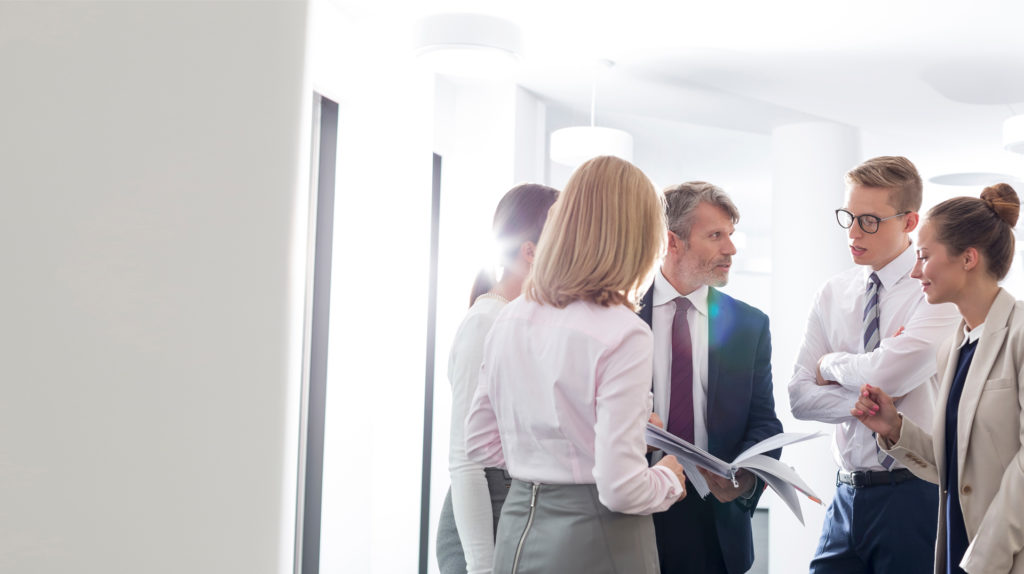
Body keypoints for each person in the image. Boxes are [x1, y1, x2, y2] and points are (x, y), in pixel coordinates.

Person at [465, 156, 686, 574]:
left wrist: (549, 455)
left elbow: (480, 442)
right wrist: (670, 478)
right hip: (596, 541)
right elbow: (621, 489)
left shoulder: (509, 316)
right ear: (638, 240)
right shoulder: (624, 332)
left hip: (515, 534)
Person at [788, 156, 960, 573]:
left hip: (914, 494)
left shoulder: (934, 291)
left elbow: (887, 375)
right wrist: (859, 403)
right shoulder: (832, 292)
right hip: (845, 496)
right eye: (848, 216)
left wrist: (830, 365)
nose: (853, 232)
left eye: (869, 220)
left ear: (908, 221)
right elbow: (798, 397)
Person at [853, 183, 1024, 574]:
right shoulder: (953, 348)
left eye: (924, 256)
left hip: (1001, 557)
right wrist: (895, 428)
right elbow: (959, 468)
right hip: (956, 547)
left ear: (968, 259)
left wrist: (980, 560)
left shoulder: (1021, 334)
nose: (915, 272)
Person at [639, 181, 784, 574]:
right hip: (634, 513)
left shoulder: (747, 325)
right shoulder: (621, 316)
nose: (731, 249)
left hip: (717, 525)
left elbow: (765, 422)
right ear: (673, 241)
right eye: (715, 236)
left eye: (730, 235)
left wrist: (746, 480)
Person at [435, 183, 559, 574]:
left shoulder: (536, 319)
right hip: (483, 520)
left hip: (520, 511)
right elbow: (466, 463)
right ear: (530, 251)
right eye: (565, 235)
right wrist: (483, 568)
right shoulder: (485, 322)